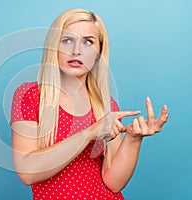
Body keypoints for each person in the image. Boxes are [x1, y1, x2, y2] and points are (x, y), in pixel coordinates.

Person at [10, 8, 169, 200]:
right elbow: (28, 172)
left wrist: (133, 139)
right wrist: (89, 133)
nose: (76, 50)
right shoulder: (30, 95)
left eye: (88, 42)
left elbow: (114, 183)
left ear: (98, 53)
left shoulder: (106, 105)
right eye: (67, 40)